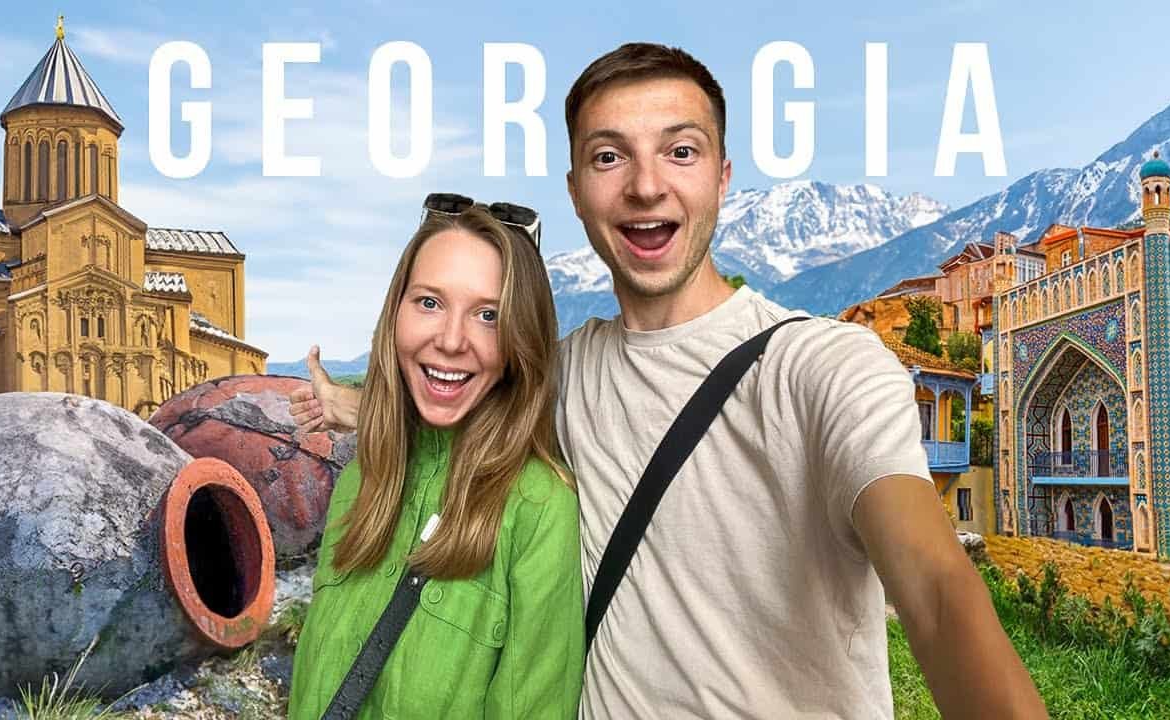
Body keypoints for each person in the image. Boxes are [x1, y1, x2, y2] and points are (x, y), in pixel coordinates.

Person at [292, 44, 1046, 719]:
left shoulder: (823, 369)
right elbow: (465, 386)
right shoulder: (567, 371)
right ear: (577, 188)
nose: (646, 186)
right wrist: (349, 405)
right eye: (610, 156)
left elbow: (937, 592)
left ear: (722, 177)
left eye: (680, 152)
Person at [287, 205, 584, 719]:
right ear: (395, 313)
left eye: (488, 315)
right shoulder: (364, 474)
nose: (450, 340)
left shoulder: (539, 508)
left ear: (521, 340)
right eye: (429, 302)